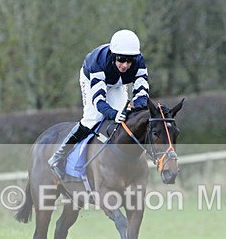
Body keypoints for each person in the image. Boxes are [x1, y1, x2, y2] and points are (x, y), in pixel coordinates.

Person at [48, 29, 150, 180]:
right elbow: (99, 102)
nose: (125, 65)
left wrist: (138, 110)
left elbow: (142, 93)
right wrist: (114, 114)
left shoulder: (139, 63)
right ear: (114, 55)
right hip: (92, 79)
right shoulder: (98, 62)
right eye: (121, 59)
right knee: (93, 118)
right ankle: (59, 156)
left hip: (117, 83)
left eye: (130, 60)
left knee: (125, 118)